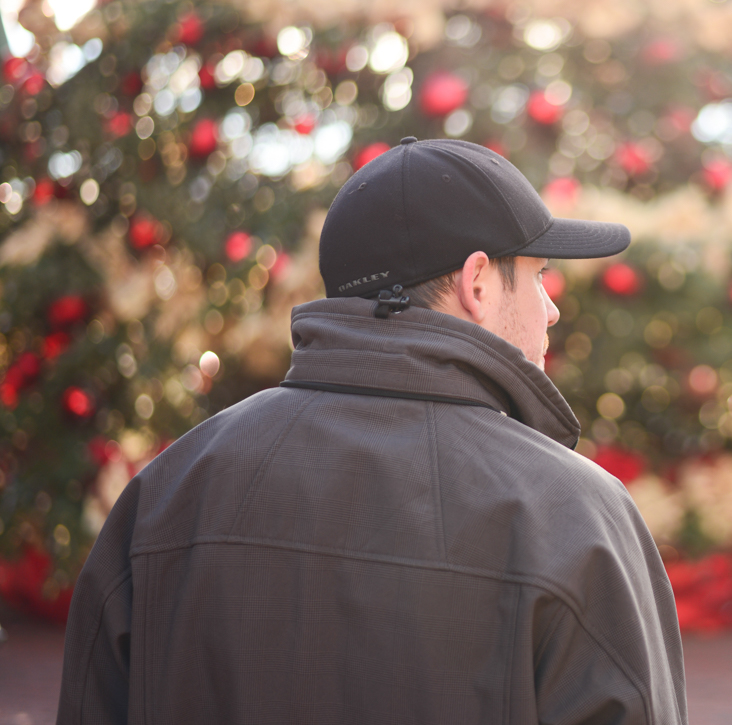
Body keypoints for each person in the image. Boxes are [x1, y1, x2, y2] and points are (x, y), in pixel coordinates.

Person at [57, 138, 687, 724]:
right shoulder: (573, 514)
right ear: (476, 283)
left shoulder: (170, 489)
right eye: (541, 274)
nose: (551, 308)